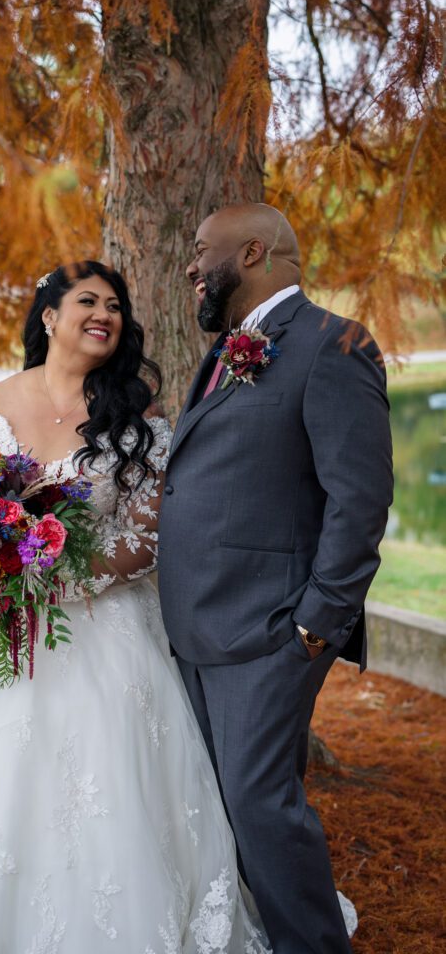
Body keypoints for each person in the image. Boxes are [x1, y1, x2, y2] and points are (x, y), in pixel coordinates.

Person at [0, 261, 275, 953]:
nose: (105, 314)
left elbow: (150, 534)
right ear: (48, 316)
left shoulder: (137, 416)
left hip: (94, 626)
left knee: (90, 793)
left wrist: (60, 584)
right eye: (88, 301)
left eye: (115, 305)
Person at [158, 204, 393, 954]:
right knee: (229, 806)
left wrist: (314, 623)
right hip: (198, 627)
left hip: (268, 631)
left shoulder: (335, 345)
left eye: (201, 250)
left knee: (261, 807)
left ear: (252, 249)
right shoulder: (230, 347)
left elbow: (358, 498)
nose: (191, 266)